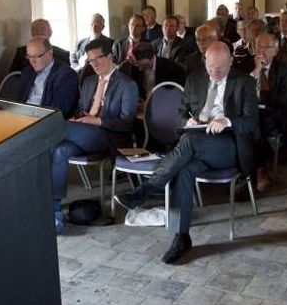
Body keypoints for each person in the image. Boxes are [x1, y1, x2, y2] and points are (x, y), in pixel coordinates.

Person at [114, 42, 258, 263]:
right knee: (185, 169)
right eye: (211, 67)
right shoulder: (195, 79)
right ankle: (181, 236)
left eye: (220, 68)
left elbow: (251, 123)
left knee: (189, 142)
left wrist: (227, 120)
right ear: (205, 62)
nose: (215, 72)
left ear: (231, 61)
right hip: (199, 142)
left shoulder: (245, 82)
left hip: (228, 145)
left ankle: (147, 189)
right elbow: (180, 114)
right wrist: (187, 120)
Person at [50, 39, 138, 230]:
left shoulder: (126, 84)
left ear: (110, 57)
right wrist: (78, 119)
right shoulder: (89, 82)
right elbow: (82, 110)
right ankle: (54, 211)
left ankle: (39, 136)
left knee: (55, 127)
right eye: (90, 60)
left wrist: (97, 121)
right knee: (58, 151)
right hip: (82, 133)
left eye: (97, 59)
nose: (94, 64)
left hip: (108, 136)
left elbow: (127, 123)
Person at [251, 32, 287, 191]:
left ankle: (260, 170)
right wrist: (256, 70)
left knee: (259, 127)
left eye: (266, 46)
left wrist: (263, 105)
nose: (261, 50)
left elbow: (284, 99)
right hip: (250, 111)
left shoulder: (283, 69)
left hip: (273, 113)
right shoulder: (247, 66)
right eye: (258, 46)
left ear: (275, 51)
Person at [18, 36, 79, 117]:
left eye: (36, 56)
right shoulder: (27, 72)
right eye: (29, 56)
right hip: (23, 116)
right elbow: (19, 101)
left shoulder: (66, 75)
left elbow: (59, 110)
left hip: (45, 119)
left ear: (50, 53)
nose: (32, 61)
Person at [122, 41, 187, 100]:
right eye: (136, 64)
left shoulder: (172, 68)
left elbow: (177, 93)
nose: (139, 68)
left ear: (151, 58)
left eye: (141, 64)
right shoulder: (134, 68)